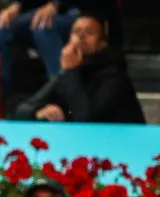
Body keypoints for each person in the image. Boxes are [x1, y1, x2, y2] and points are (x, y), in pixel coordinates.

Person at [12, 13, 145, 123]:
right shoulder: (71, 71)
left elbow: (86, 119)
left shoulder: (114, 76)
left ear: (102, 44)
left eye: (89, 32)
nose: (81, 37)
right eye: (76, 31)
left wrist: (70, 71)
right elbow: (22, 111)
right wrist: (39, 112)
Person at [0, 0, 79, 96]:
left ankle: (62, 93)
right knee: (1, 28)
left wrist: (55, 4)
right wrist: (16, 5)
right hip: (35, 9)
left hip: (72, 9)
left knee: (43, 27)